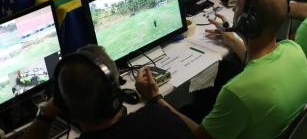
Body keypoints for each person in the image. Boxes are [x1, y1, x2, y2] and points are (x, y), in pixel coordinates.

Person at [136, 0, 307, 139]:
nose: (234, 10)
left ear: (247, 22)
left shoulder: (238, 90)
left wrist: (155, 98)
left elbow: (201, 136)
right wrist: (232, 38)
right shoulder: (294, 49)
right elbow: (261, 65)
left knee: (160, 119)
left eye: (236, 6)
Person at [22, 45, 193, 139]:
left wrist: (45, 114)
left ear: (66, 110)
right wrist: (155, 98)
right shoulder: (161, 117)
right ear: (116, 92)